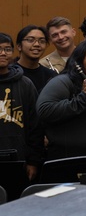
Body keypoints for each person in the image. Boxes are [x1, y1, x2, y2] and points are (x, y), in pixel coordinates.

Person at [0, 33, 42, 179]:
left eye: (7, 49)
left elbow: (35, 127)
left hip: (20, 160)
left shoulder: (25, 84)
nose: (3, 53)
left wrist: (33, 161)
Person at [15, 25, 56, 94]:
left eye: (42, 41)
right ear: (19, 46)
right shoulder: (10, 73)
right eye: (30, 40)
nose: (37, 44)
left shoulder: (51, 76)